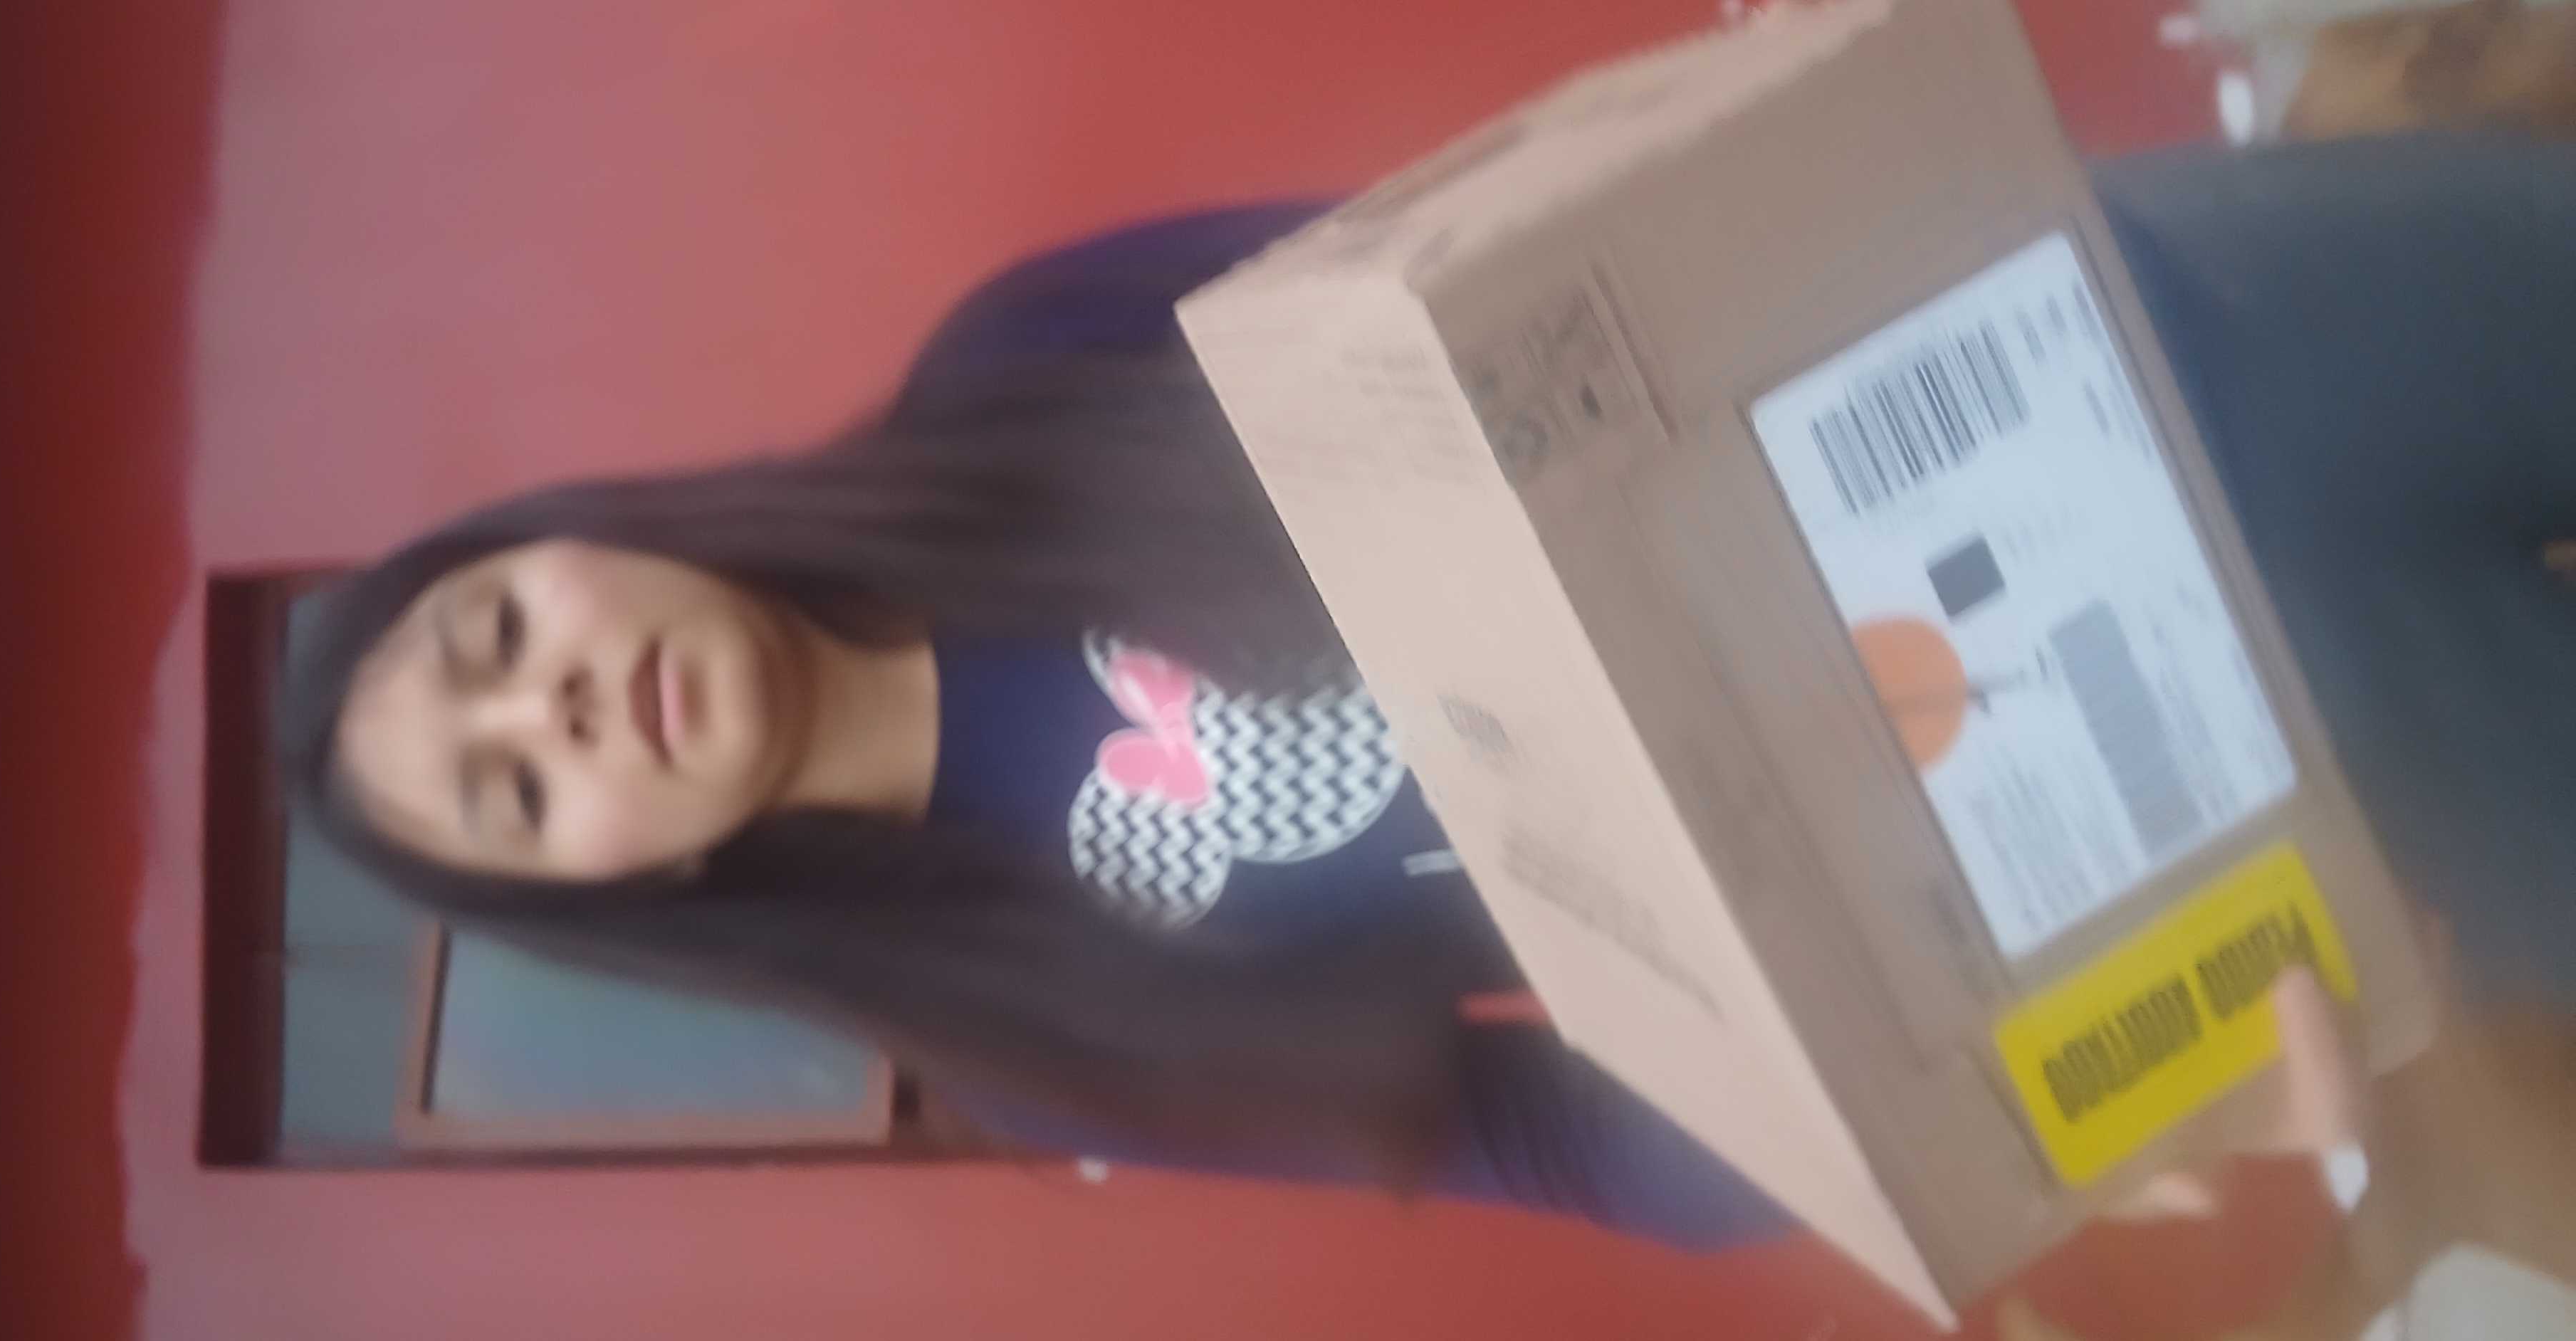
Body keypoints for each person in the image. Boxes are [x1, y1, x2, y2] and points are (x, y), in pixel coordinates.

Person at [280, 131, 2576, 1274]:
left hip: (2136, 347)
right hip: (2148, 775)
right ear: (639, 881)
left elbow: (1543, 269)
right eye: (516, 792)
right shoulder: (1033, 1034)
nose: (559, 706)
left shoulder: (1022, 368)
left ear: (570, 537)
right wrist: (2026, 1107)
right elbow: (1575, 1140)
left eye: (498, 637)